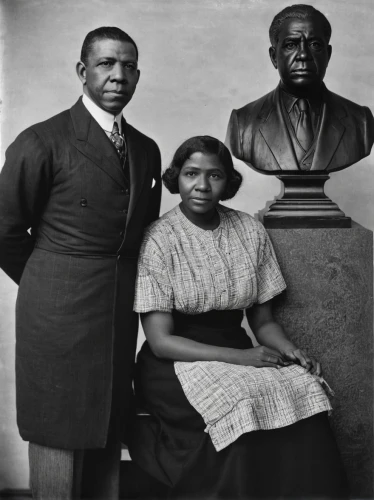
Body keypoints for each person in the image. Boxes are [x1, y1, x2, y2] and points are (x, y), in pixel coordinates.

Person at [128, 136, 348, 499]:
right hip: (174, 362)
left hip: (238, 348)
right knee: (243, 401)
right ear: (175, 179)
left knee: (303, 387)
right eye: (191, 174)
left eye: (214, 175)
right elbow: (161, 342)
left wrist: (292, 352)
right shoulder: (159, 238)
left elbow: (263, 323)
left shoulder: (248, 230)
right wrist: (242, 359)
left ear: (228, 182)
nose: (201, 185)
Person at [0, 27, 161, 499]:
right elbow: (4, 231)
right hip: (56, 313)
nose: (119, 75)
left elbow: (141, 236)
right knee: (59, 431)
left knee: (107, 429)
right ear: (82, 71)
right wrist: (48, 282)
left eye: (129, 66)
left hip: (115, 312)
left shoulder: (146, 149)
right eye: (107, 64)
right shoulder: (40, 141)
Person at [225, 4, 374, 173]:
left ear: (328, 54)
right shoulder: (243, 122)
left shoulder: (361, 121)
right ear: (274, 57)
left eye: (315, 45)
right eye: (291, 45)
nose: (303, 55)